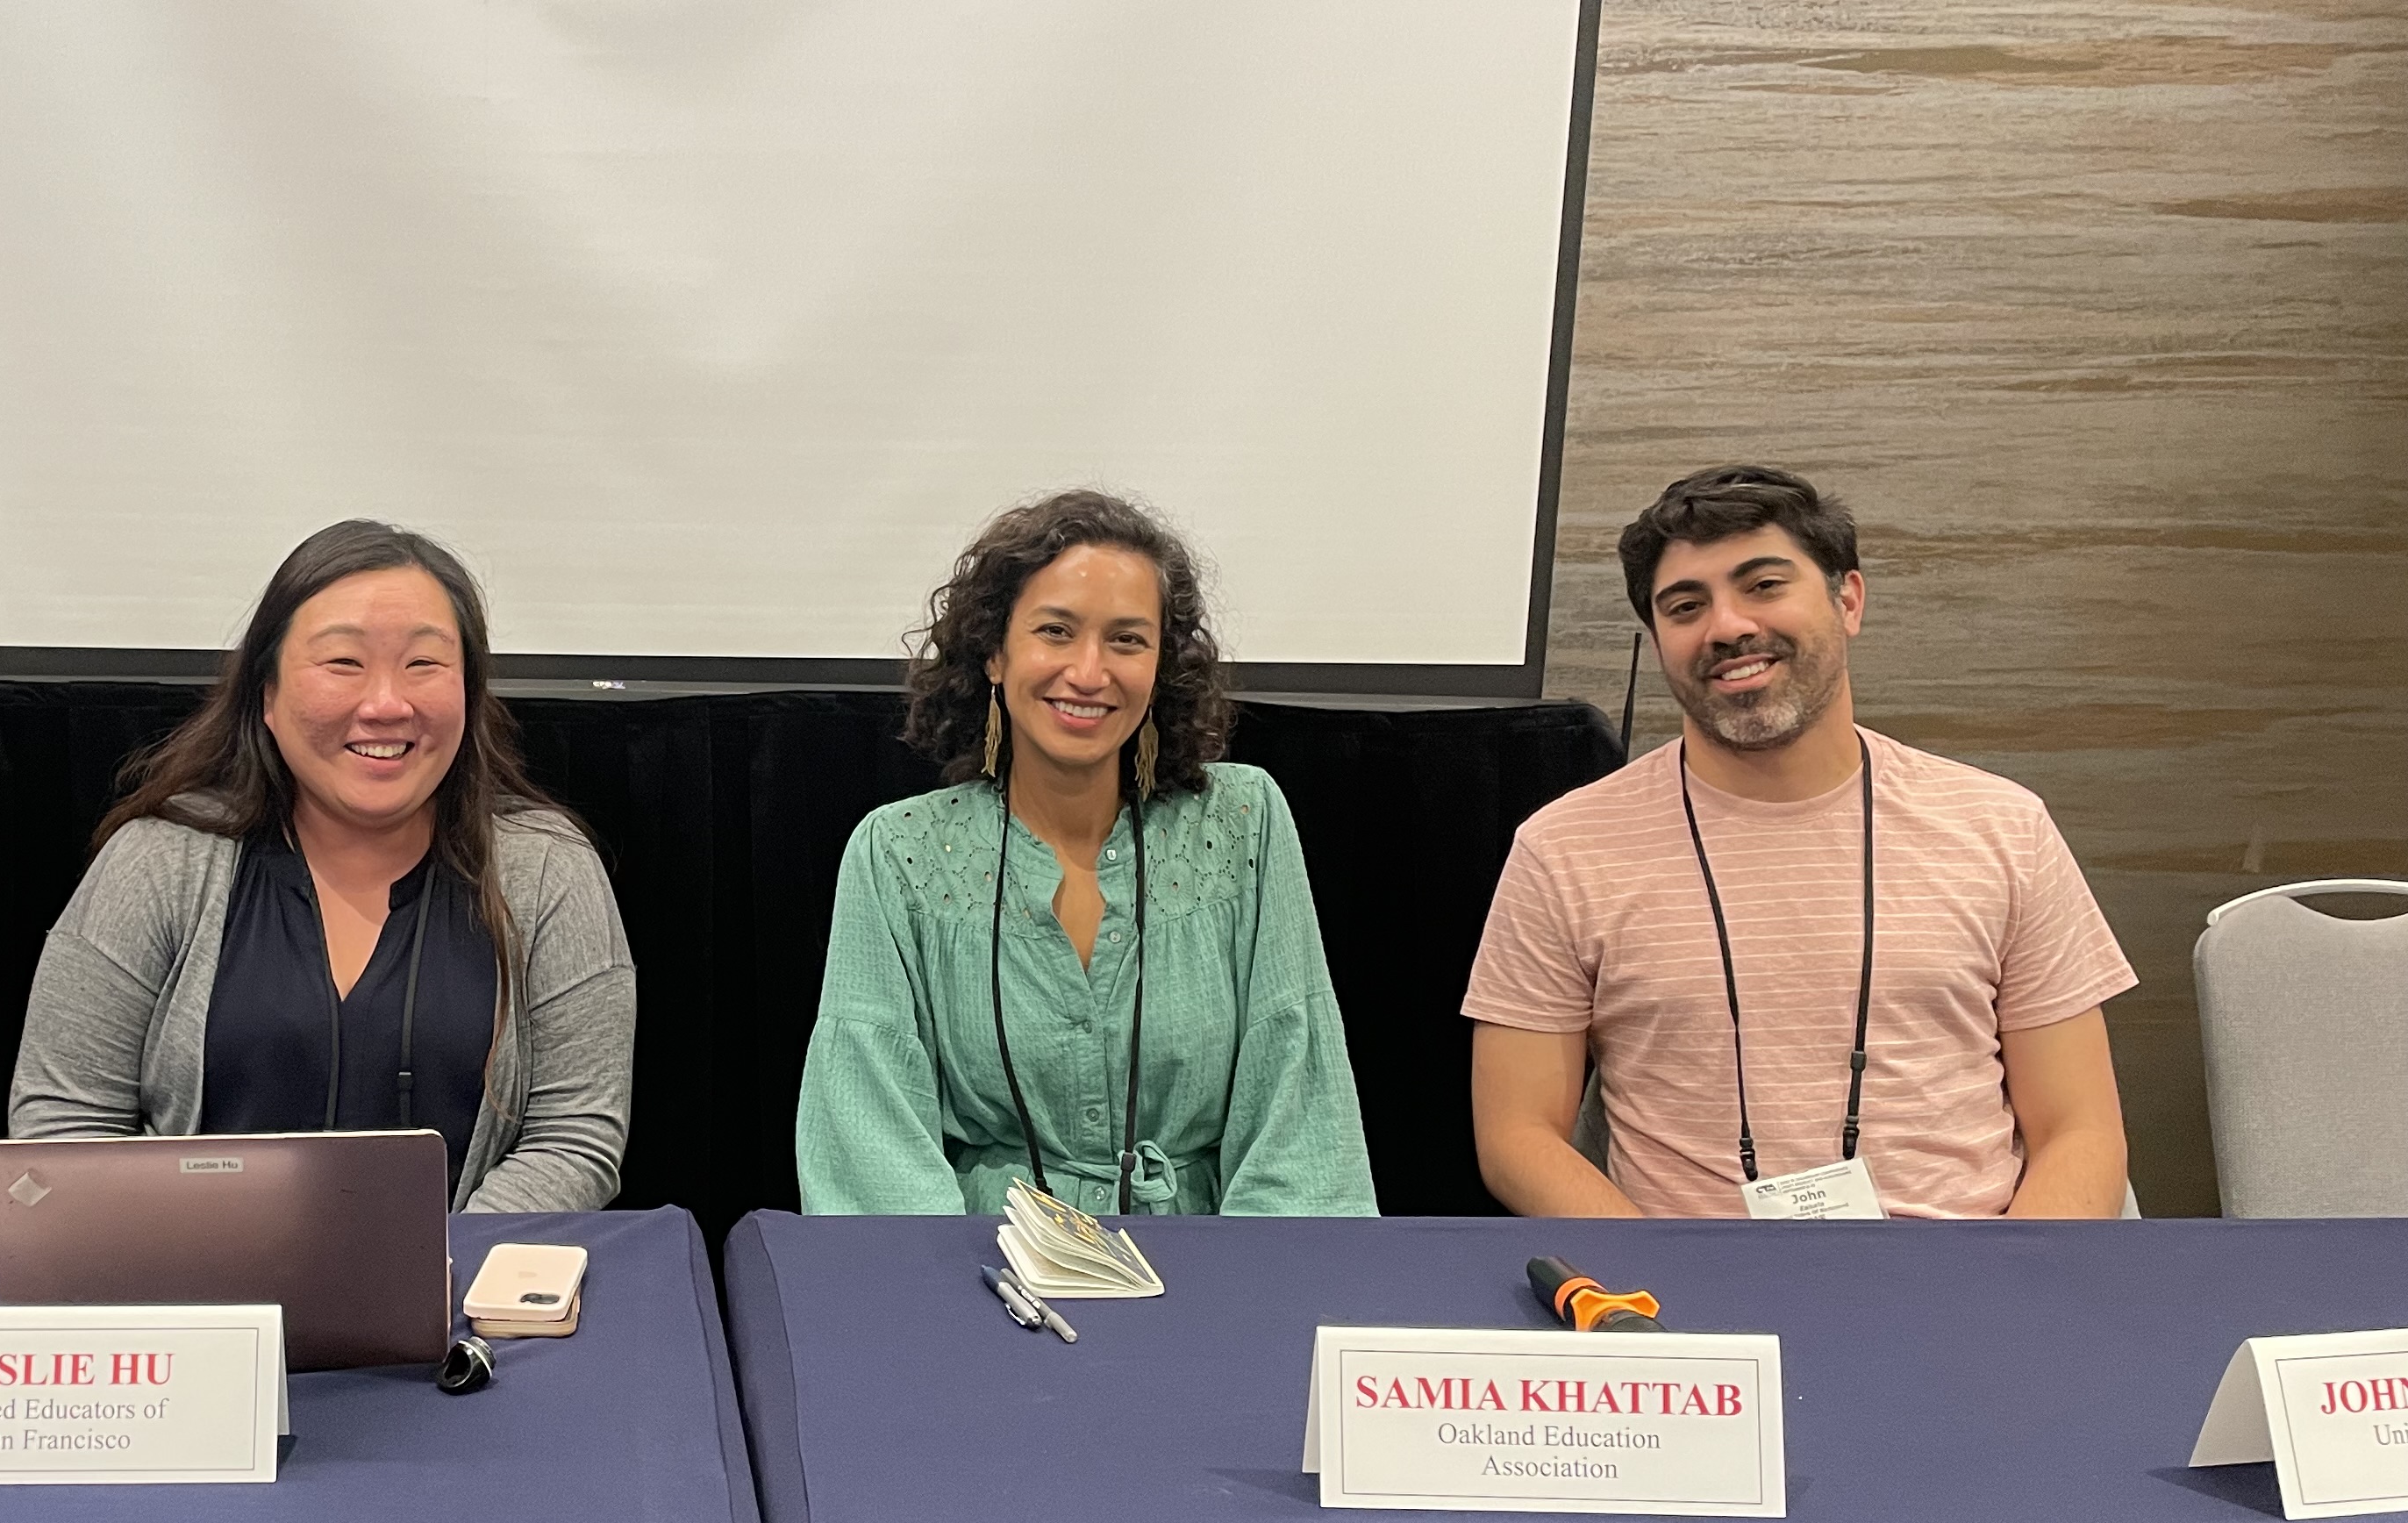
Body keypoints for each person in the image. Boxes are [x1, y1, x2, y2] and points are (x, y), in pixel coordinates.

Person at [1466, 465, 2133, 1219]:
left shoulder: (2003, 828)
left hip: (1963, 1284)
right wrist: (1662, 1293)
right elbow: (1517, 1136)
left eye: (1763, 585)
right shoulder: (1563, 850)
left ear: (1848, 599)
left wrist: (2002, 1301)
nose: (1726, 627)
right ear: (1659, 642)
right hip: (1694, 1297)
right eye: (1686, 606)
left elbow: (2079, 1129)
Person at [8, 520, 634, 1207]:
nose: (388, 703)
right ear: (266, 695)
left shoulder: (548, 874)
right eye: (343, 663)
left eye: (424, 665)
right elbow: (62, 1128)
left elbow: (575, 1139)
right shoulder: (158, 862)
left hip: (459, 1298)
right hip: (207, 1298)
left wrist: (433, 1268)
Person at [797, 490, 1376, 1217]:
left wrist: (1252, 1304)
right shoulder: (898, 854)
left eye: (1128, 640)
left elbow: (1302, 1118)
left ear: (1162, 664)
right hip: (987, 1279)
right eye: (1056, 631)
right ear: (994, 655)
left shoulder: (1243, 822)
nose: (1090, 672)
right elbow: (870, 1147)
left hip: (1210, 1276)